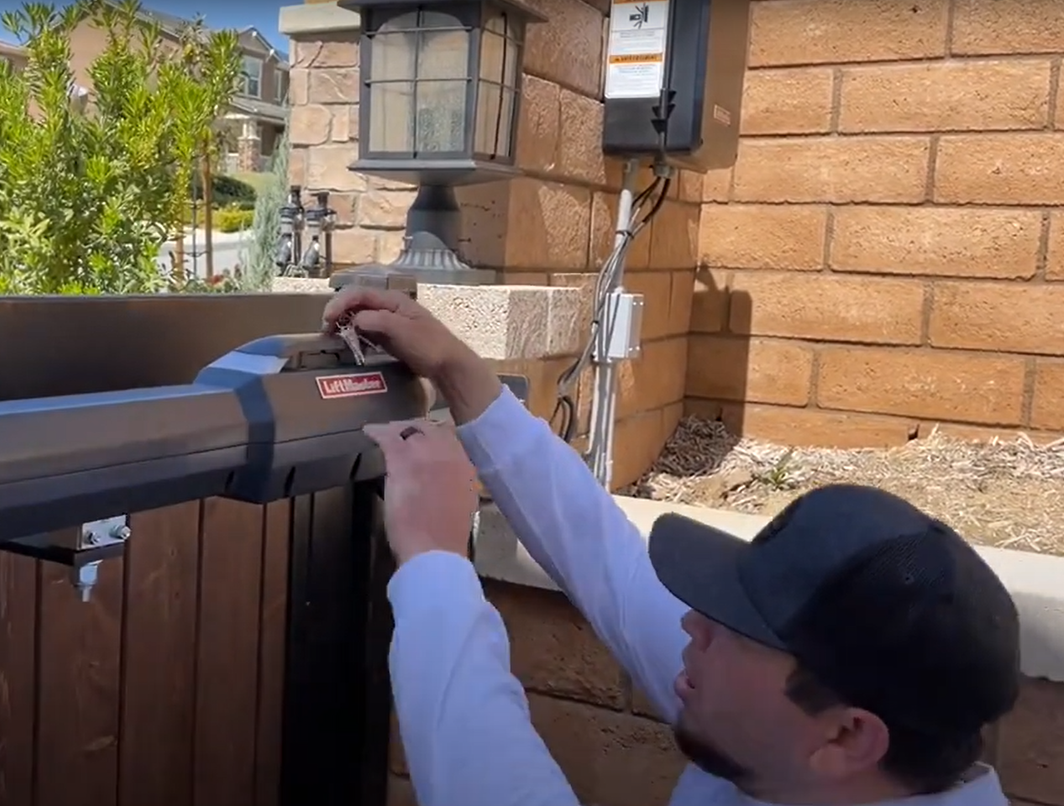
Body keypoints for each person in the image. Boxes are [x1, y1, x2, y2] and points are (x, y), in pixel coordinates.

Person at [332, 286, 1021, 806]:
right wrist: (460, 372)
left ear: (847, 736)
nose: (691, 622)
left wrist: (433, 565)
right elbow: (615, 567)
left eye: (732, 629)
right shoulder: (802, 740)